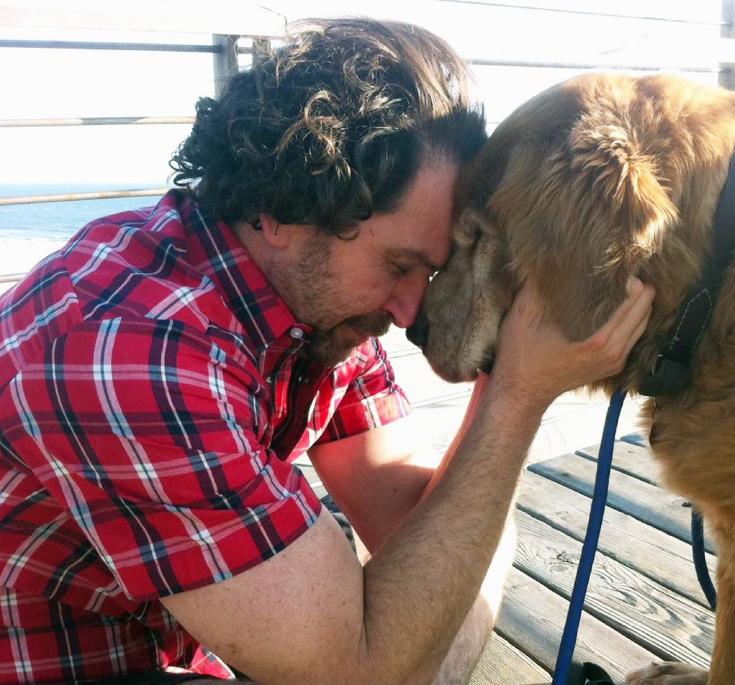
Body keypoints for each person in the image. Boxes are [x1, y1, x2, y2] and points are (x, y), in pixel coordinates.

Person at [0, 18, 655, 685]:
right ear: (281, 212)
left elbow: (419, 517)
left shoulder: (315, 308)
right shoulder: (134, 357)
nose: (409, 312)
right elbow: (364, 670)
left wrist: (413, 638)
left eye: (427, 273)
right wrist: (517, 395)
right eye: (400, 265)